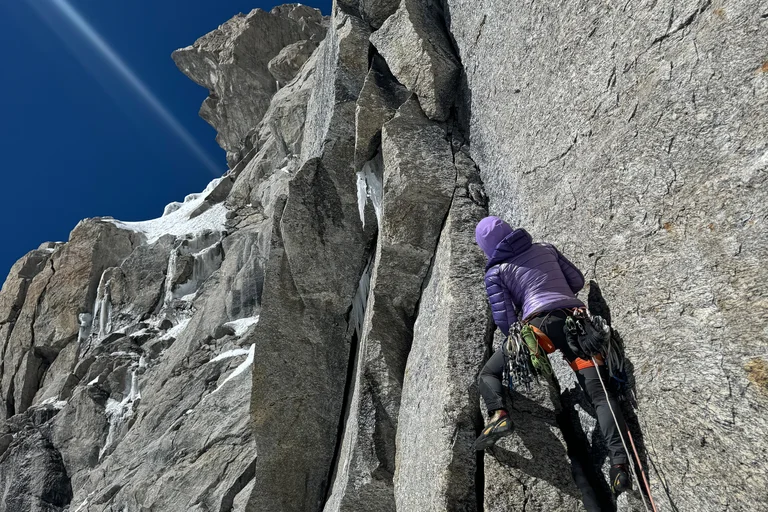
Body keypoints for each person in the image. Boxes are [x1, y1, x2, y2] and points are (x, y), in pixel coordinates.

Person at [473, 215, 631, 494]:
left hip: (539, 331)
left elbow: (505, 321)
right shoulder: (545, 248)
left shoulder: (496, 273)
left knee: (487, 373)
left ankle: (499, 413)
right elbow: (577, 280)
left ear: (486, 247)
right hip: (576, 324)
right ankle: (619, 466)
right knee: (600, 395)